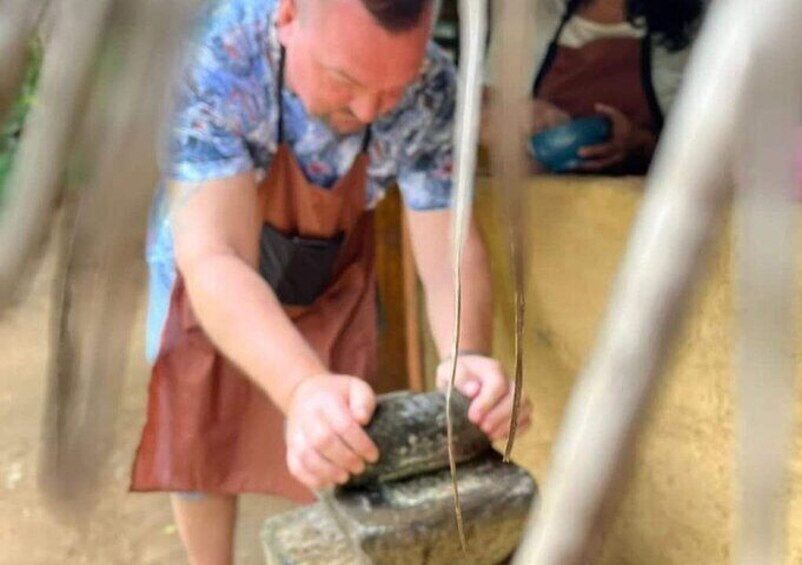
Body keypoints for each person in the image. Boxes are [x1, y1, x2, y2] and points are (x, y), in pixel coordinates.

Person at [131, 0, 532, 563]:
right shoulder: (212, 60)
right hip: (209, 269)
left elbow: (448, 247)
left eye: (394, 88)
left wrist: (464, 353)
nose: (369, 109)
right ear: (290, 14)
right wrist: (299, 386)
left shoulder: (434, 89)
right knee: (198, 425)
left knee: (347, 434)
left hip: (328, 266)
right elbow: (217, 258)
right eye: (345, 79)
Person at [486, 0, 704, 174]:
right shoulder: (534, 11)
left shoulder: (704, 26)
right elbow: (480, 107)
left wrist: (642, 144)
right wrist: (516, 112)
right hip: (548, 210)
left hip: (656, 216)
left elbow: (720, 151)